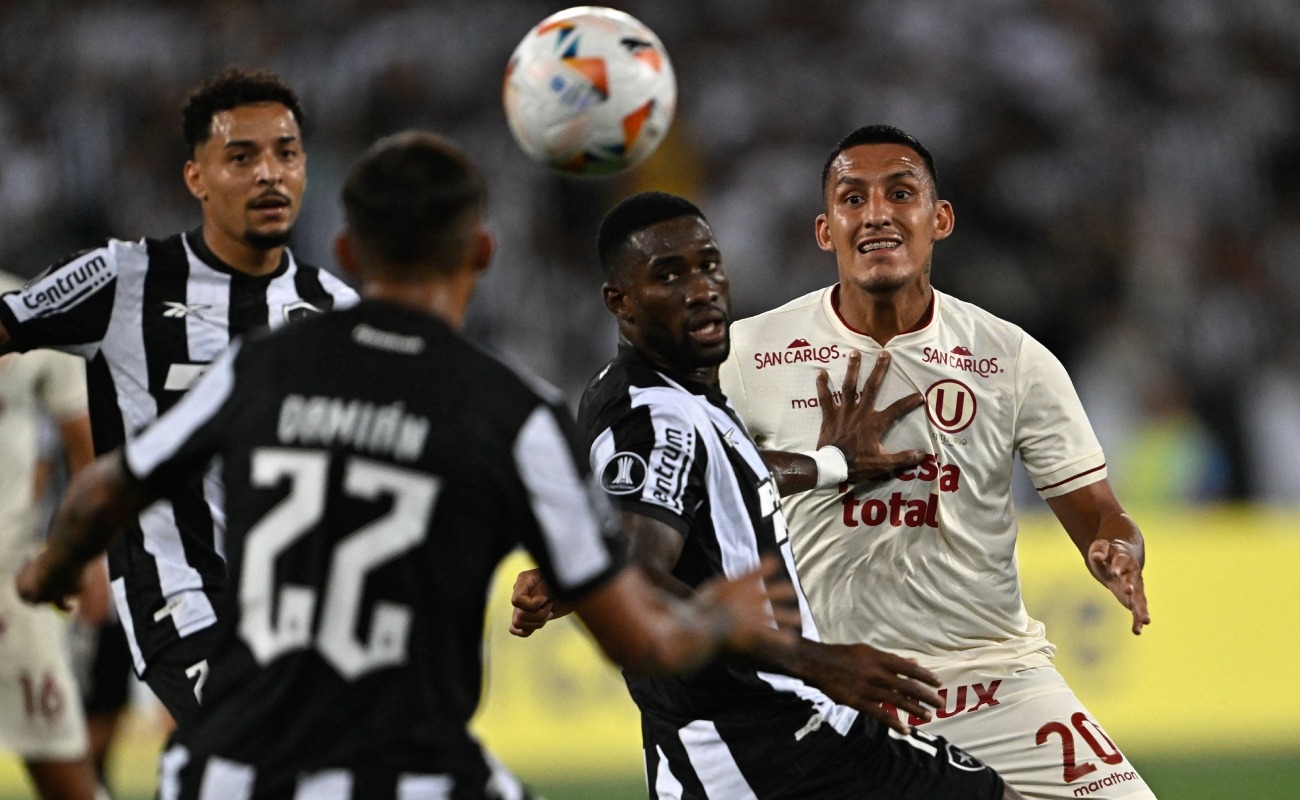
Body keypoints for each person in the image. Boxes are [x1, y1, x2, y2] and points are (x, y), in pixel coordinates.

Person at [16, 130, 800, 799]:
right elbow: (640, 640)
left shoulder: (261, 367)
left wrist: (51, 571)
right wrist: (716, 617)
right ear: (483, 252)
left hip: (226, 770)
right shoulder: (512, 413)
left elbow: (99, 494)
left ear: (348, 252)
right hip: (407, 773)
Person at [511, 191, 1023, 799]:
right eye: (669, 276)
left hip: (777, 733)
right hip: (756, 747)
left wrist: (833, 463)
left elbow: (716, 478)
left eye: (708, 264)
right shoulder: (654, 418)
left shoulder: (649, 390)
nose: (700, 289)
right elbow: (636, 573)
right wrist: (817, 661)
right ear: (620, 301)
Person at [717, 124, 1157, 799]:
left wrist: (1118, 549)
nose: (877, 214)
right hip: (836, 690)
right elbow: (690, 487)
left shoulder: (1011, 358)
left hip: (993, 681)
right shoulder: (749, 357)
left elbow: (1101, 513)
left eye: (900, 193)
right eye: (853, 199)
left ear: (939, 219)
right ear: (825, 230)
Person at [0, 66, 357, 726]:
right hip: (178, 591)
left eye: (286, 154)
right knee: (254, 743)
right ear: (197, 178)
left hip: (301, 604)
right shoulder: (122, 279)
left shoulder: (339, 310)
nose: (269, 174)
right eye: (241, 157)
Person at [0, 268, 99, 800]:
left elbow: (83, 446)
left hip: (11, 583)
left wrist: (93, 557)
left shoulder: (27, 308)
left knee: (64, 768)